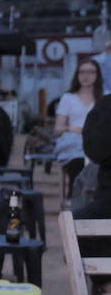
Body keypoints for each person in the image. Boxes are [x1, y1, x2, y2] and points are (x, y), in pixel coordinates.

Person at [56, 58, 103, 198]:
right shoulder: (68, 98)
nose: (86, 76)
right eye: (82, 72)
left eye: (90, 72)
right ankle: (75, 198)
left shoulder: (104, 97)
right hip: (73, 141)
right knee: (79, 161)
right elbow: (58, 128)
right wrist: (73, 129)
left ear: (97, 75)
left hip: (97, 141)